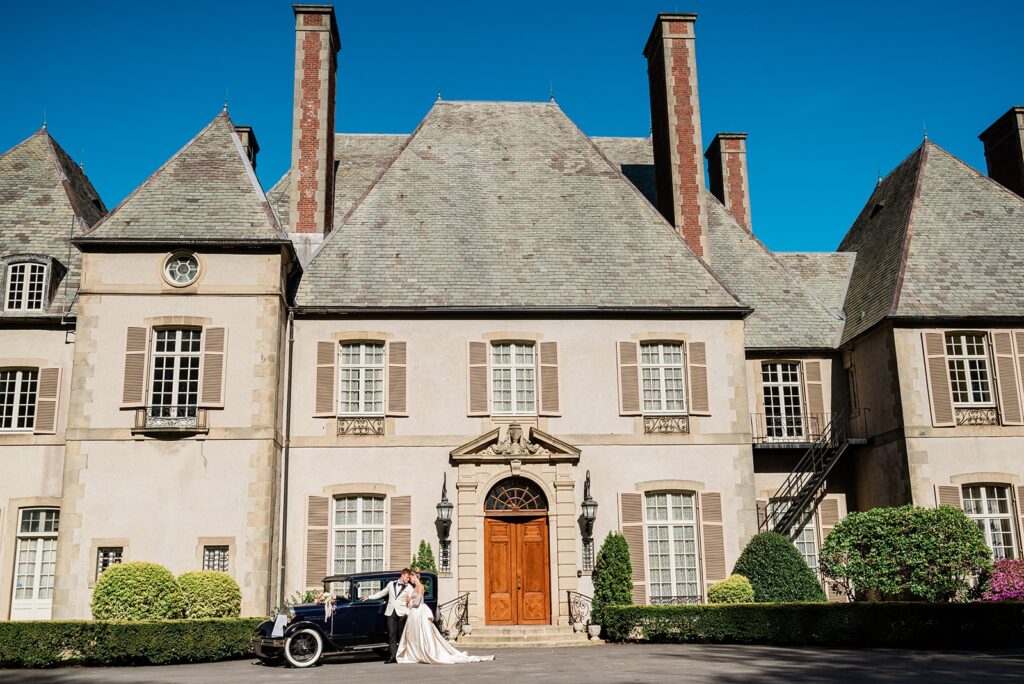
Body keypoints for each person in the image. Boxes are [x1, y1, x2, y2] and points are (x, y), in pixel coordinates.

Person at [396, 571, 495, 665]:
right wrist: (408, 601)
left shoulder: (420, 587)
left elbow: (417, 603)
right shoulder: (414, 588)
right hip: (414, 614)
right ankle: (416, 653)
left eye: (411, 578)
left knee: (423, 634)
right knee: (415, 634)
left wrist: (410, 603)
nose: (410, 580)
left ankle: (425, 653)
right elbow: (412, 602)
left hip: (419, 612)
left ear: (414, 577)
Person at [362, 568, 414, 664]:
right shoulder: (391, 584)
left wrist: (406, 613)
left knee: (401, 635)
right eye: (407, 577)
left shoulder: (409, 587)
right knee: (391, 634)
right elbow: (381, 593)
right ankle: (393, 656)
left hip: (402, 613)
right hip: (390, 612)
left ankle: (403, 655)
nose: (408, 579)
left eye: (409, 578)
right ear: (402, 575)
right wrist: (368, 597)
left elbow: (411, 601)